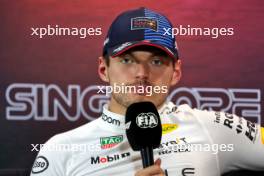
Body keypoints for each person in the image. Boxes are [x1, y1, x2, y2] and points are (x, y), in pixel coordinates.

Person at [30, 7, 264, 176]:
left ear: (176, 72)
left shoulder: (213, 127)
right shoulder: (61, 149)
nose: (141, 73)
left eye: (157, 62)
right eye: (127, 60)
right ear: (103, 68)